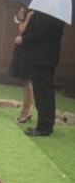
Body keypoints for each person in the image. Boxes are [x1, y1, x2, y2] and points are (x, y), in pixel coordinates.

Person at [19, 9, 64, 137]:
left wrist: (23, 40)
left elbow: (37, 34)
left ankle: (44, 127)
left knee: (42, 92)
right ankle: (46, 124)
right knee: (47, 92)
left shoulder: (45, 13)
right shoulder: (59, 13)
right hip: (50, 57)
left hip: (41, 58)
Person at [10, 5, 34, 123]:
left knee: (27, 82)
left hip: (28, 54)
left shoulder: (32, 14)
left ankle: (26, 112)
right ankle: (25, 112)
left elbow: (22, 31)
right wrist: (21, 18)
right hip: (22, 53)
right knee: (25, 82)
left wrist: (26, 17)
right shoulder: (27, 13)